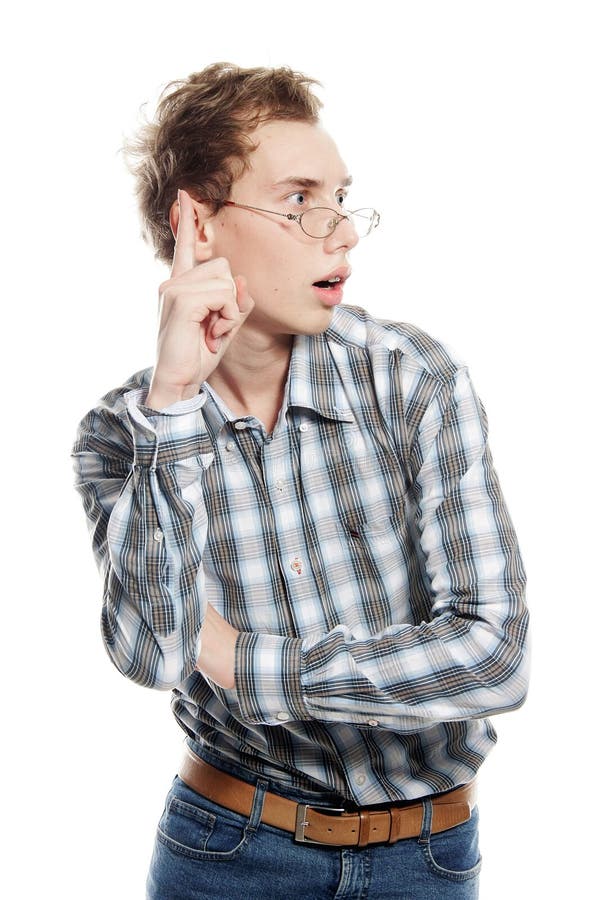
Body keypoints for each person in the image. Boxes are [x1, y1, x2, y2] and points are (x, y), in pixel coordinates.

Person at [72, 62, 529, 900]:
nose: (343, 230)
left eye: (342, 197)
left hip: (423, 856)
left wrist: (246, 663)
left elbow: (495, 659)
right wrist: (171, 402)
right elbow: (149, 653)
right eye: (298, 199)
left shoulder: (411, 379)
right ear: (197, 224)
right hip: (226, 852)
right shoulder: (120, 432)